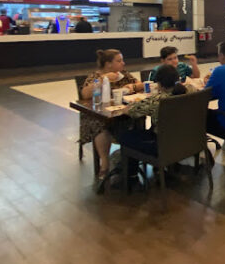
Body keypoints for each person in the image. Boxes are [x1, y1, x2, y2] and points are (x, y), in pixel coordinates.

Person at [79, 49, 144, 191]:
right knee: (100, 125)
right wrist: (104, 79)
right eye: (119, 61)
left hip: (121, 114)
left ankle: (131, 158)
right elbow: (85, 94)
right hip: (98, 115)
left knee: (138, 117)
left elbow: (140, 84)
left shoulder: (123, 74)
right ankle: (105, 162)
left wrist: (131, 86)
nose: (123, 63)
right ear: (108, 64)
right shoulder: (96, 76)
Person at [119, 64, 188, 186]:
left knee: (126, 136)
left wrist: (127, 107)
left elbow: (131, 111)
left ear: (159, 84)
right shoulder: (190, 91)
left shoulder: (157, 100)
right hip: (187, 141)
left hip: (163, 146)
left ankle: (131, 177)